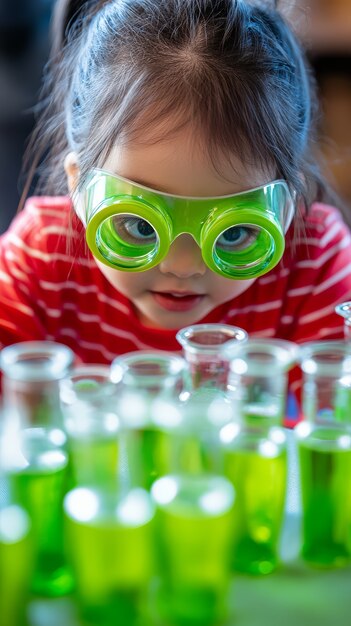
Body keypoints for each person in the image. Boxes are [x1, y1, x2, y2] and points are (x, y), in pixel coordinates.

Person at [0, 0, 350, 409]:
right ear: (79, 187)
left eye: (234, 232)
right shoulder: (43, 255)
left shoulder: (313, 260)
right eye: (140, 225)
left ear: (287, 207)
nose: (182, 266)